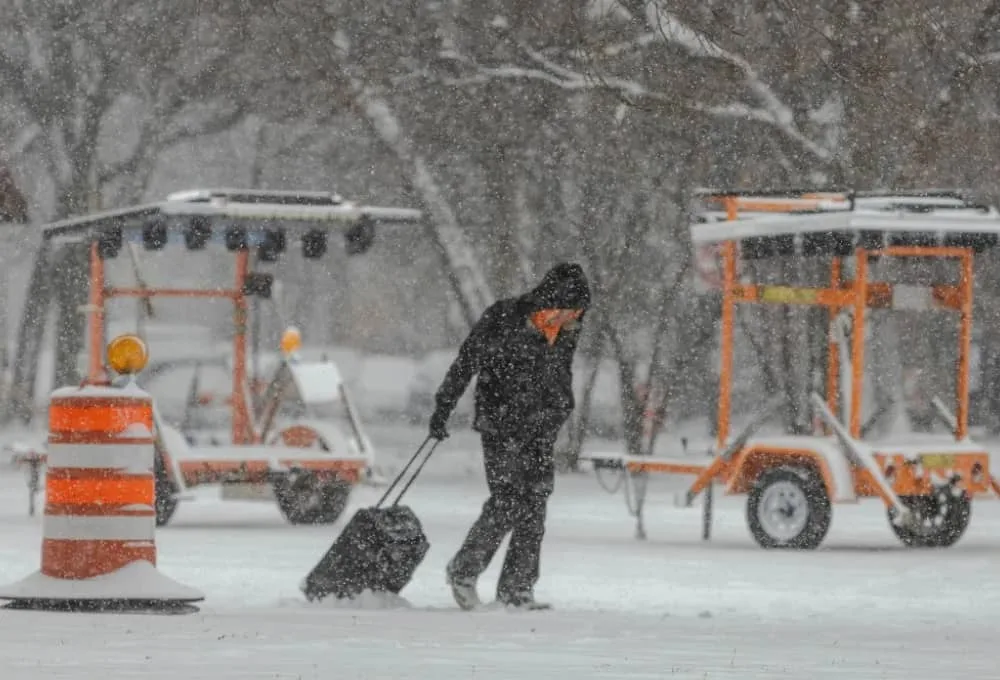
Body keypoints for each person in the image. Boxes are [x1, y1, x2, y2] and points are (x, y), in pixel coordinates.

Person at [428, 262, 591, 610]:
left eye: (579, 313)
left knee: (534, 505)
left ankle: (517, 591)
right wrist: (444, 405)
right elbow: (466, 361)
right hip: (501, 424)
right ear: (553, 302)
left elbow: (560, 373)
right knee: (509, 499)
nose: (575, 320)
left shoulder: (566, 331)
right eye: (571, 311)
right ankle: (464, 570)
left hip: (541, 426)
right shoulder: (504, 317)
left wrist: (562, 406)